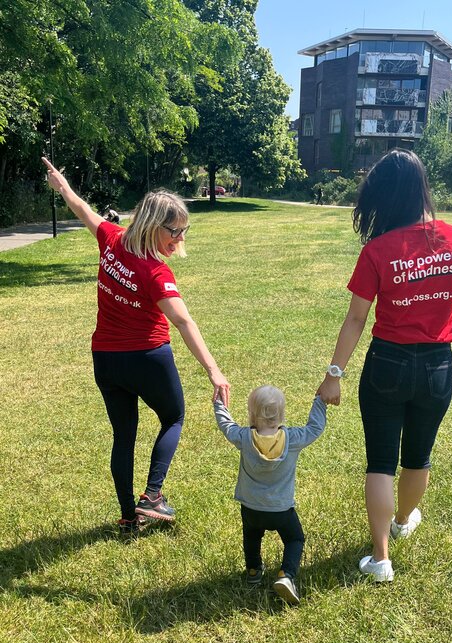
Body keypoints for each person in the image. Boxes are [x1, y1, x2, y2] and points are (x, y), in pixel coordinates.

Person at [317, 149, 452, 582]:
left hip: (386, 363)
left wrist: (334, 374)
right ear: (421, 189)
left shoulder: (378, 249)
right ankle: (404, 519)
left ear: (386, 197)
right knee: (418, 457)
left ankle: (381, 558)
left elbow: (356, 318)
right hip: (437, 368)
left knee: (380, 462)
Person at [42, 156, 230, 539]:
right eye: (175, 230)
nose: (180, 238)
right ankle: (152, 497)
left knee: (124, 435)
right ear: (153, 225)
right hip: (147, 357)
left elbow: (84, 211)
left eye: (184, 230)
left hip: (106, 361)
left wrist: (62, 187)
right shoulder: (155, 272)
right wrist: (213, 370)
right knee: (174, 417)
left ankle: (129, 518)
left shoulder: (112, 239)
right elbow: (182, 320)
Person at [214, 386, 327, 604]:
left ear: (252, 414)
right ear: (282, 414)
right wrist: (320, 402)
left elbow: (226, 426)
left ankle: (254, 571)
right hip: (282, 509)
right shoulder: (293, 438)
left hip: (251, 508)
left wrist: (219, 403)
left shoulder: (244, 438)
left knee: (252, 536)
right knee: (294, 539)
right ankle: (286, 575)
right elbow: (315, 428)